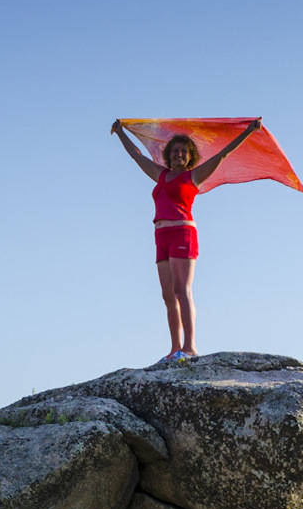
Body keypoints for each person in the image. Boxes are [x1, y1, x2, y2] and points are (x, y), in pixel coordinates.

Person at [110, 118, 262, 363]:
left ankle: (190, 347)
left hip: (183, 233)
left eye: (184, 151)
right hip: (160, 236)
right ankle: (174, 349)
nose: (179, 154)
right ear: (168, 155)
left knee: (182, 290)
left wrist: (248, 131)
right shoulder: (161, 176)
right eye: (175, 151)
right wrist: (120, 133)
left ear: (189, 156)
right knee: (167, 295)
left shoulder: (194, 176)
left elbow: (222, 155)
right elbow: (137, 156)